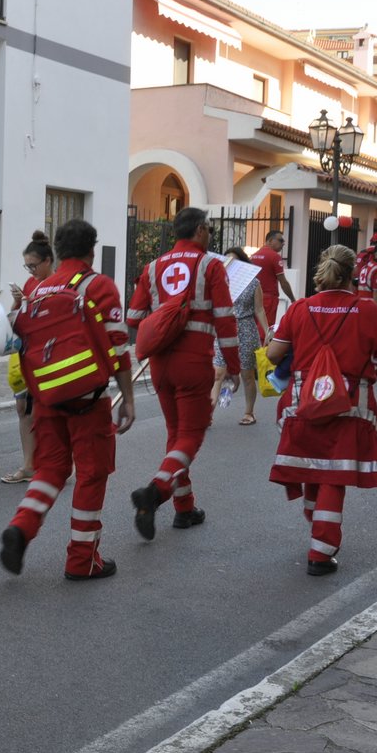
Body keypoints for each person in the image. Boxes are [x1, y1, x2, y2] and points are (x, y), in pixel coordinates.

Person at [0, 218, 136, 580]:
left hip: (46, 398)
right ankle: (82, 560)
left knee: (50, 470)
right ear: (92, 250)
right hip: (88, 400)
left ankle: (22, 527)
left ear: (57, 252)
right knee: (92, 473)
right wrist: (129, 396)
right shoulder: (99, 285)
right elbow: (119, 347)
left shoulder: (40, 289)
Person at [266, 245, 377, 576]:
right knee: (333, 472)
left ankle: (318, 527)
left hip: (303, 404)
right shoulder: (368, 311)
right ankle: (320, 551)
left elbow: (274, 356)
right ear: (353, 275)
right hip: (350, 405)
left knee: (317, 467)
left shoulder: (300, 308)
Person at [124, 207, 240, 539]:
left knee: (176, 434)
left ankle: (184, 508)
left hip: (160, 363)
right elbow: (225, 319)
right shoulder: (210, 265)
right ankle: (157, 491)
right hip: (193, 361)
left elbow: (133, 316)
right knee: (192, 433)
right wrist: (233, 367)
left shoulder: (152, 267)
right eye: (209, 229)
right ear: (200, 230)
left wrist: (165, 314)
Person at [1, 231, 53, 484]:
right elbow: (18, 315)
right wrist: (17, 302)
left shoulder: (58, 283)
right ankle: (29, 464)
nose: (30, 270)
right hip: (25, 353)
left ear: (48, 261)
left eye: (34, 265)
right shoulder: (31, 283)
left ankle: (54, 462)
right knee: (22, 407)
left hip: (46, 357)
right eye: (27, 266)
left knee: (45, 411)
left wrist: (32, 303)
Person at [209, 247, 270, 426]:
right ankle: (208, 414)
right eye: (226, 260)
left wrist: (267, 332)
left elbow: (259, 309)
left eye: (234, 260)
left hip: (245, 328)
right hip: (222, 328)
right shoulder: (217, 281)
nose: (229, 264)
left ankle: (249, 412)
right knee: (218, 373)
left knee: (247, 373)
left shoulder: (253, 282)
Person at [247, 228, 296, 331]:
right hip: (268, 300)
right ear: (270, 241)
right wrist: (292, 299)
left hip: (253, 297)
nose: (283, 244)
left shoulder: (253, 256)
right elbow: (283, 282)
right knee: (265, 329)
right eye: (280, 240)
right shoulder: (274, 257)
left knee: (254, 328)